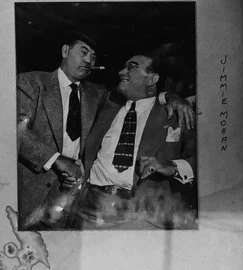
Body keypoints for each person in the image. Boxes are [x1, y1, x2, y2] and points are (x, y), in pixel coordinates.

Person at [76, 45, 197, 230]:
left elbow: (205, 160)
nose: (121, 71)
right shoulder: (107, 101)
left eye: (131, 66)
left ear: (152, 78)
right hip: (93, 207)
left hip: (143, 214)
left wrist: (172, 167)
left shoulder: (176, 113)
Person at [15, 32, 107, 230]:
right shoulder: (31, 83)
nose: (88, 60)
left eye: (93, 57)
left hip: (74, 195)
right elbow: (17, 133)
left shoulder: (98, 94)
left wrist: (168, 97)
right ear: (65, 51)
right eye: (84, 52)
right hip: (33, 193)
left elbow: (135, 99)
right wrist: (57, 160)